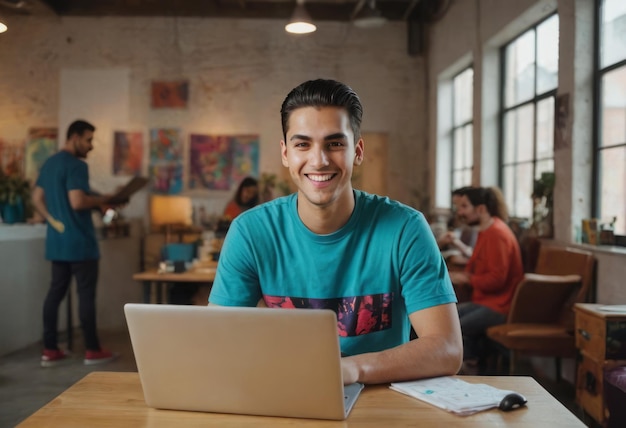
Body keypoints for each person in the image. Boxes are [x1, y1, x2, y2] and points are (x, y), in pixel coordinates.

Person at [209, 79, 463, 384]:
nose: (319, 160)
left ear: (357, 151)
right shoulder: (250, 232)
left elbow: (447, 348)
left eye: (335, 143)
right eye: (303, 144)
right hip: (284, 393)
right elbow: (217, 340)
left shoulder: (406, 229)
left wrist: (351, 369)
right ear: (286, 153)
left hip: (381, 404)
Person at [32, 119, 121, 367]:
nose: (91, 146)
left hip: (57, 243)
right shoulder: (77, 165)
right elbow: (78, 202)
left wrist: (50, 218)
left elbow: (36, 197)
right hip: (80, 244)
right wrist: (103, 201)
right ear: (74, 137)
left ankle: (49, 350)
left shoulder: (50, 163)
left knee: (55, 293)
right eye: (89, 140)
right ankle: (92, 350)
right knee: (85, 296)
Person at [447, 186, 524, 372]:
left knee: (452, 328)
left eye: (465, 206)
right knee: (446, 317)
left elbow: (497, 280)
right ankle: (470, 365)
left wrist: (467, 279)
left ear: (480, 209)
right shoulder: (487, 231)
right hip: (486, 301)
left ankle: (467, 369)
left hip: (500, 306)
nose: (460, 212)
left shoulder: (497, 234)